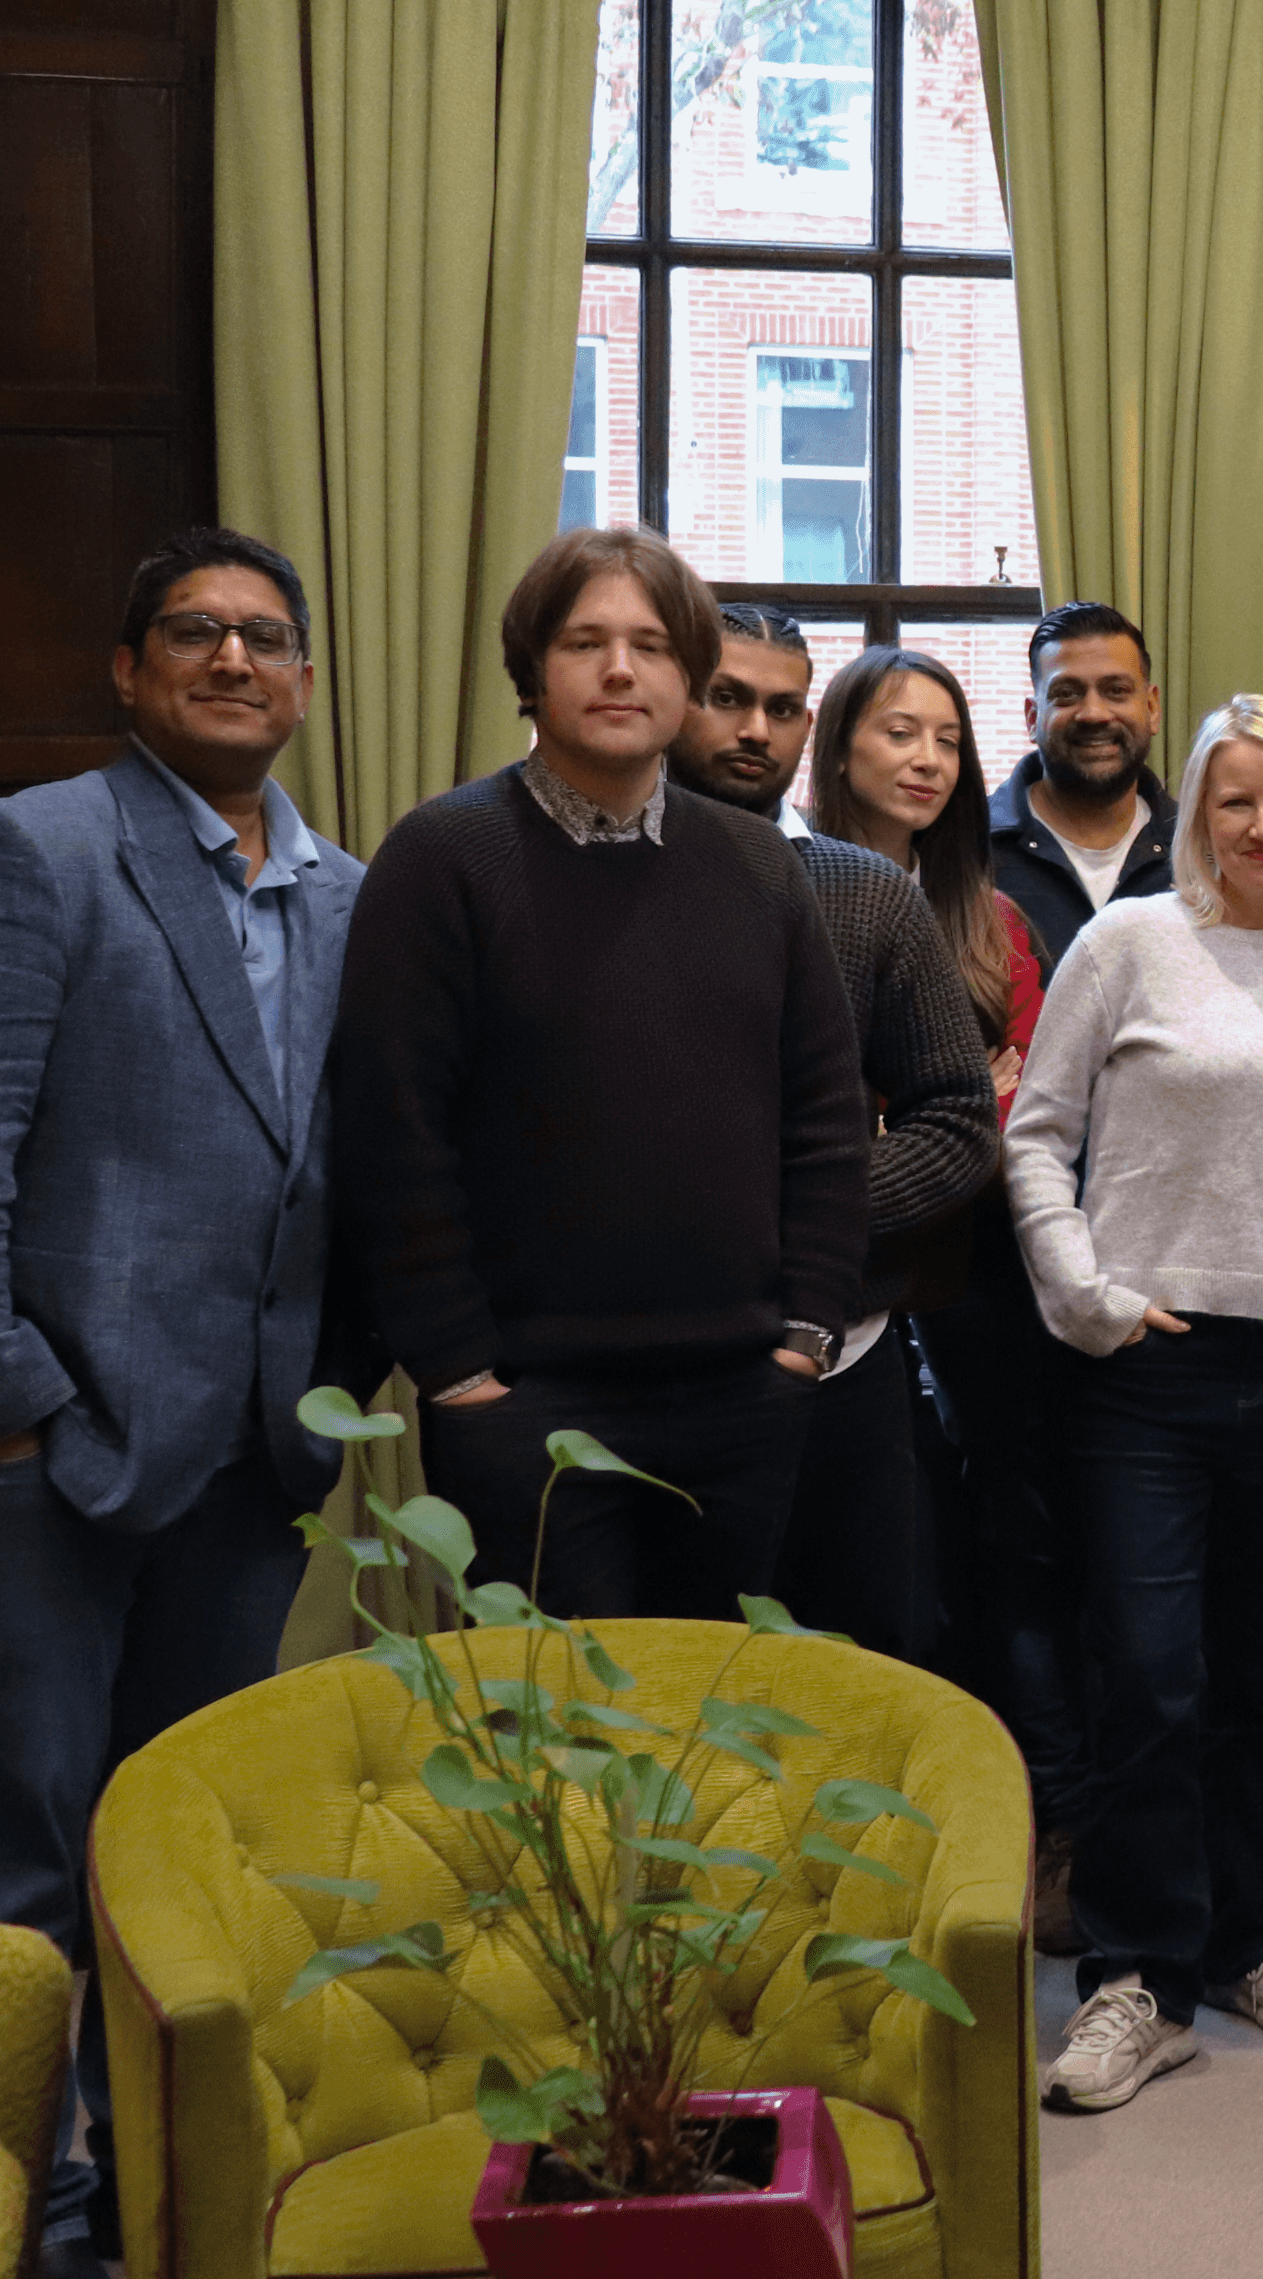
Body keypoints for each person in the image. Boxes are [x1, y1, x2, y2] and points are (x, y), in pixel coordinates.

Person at [0, 528, 359, 2279]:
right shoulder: (30, 852)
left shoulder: (349, 892)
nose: (234, 661)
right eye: (194, 633)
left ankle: (157, 2191)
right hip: (30, 1465)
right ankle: (3, 2237)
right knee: (10, 1881)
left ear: (304, 683)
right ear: (131, 672)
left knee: (177, 1866)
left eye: (267, 639)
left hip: (239, 1471)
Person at [335, 528, 867, 1618]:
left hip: (744, 1395)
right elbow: (395, 1135)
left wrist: (805, 1339)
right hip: (525, 1405)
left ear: (687, 680)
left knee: (699, 1751)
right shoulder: (441, 859)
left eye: (652, 645)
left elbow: (823, 1121)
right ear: (531, 671)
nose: (620, 669)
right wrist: (458, 1377)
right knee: (555, 1761)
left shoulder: (763, 868)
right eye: (585, 642)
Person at [1012, 697, 1263, 2112]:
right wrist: (1086, 1289)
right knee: (1150, 1670)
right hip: (1142, 1366)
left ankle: (1249, 1932)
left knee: (1257, 1675)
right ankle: (1135, 1973)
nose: (1261, 825)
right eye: (1234, 800)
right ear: (1196, 811)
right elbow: (1038, 1133)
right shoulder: (1127, 941)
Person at [663, 622, 999, 1665]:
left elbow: (956, 1122)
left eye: (779, 707)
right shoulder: (582, 878)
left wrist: (786, 1207)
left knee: (853, 1665)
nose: (753, 728)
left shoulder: (866, 890)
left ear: (808, 723)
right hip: (633, 1361)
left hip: (837, 1355)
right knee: (660, 1672)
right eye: (727, 698)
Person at [814, 643, 1077, 1927]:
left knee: (1008, 1560)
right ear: (839, 745)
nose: (924, 758)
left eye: (945, 739)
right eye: (897, 733)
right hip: (840, 1286)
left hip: (988, 1284)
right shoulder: (780, 884)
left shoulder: (992, 913)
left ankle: (1029, 1841)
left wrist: (941, 1127)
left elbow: (1019, 1105)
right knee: (886, 1578)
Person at [988, 599, 1174, 970]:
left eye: (1116, 690)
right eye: (1067, 694)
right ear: (1032, 717)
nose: (1093, 714)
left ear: (1152, 708)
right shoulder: (965, 850)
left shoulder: (1202, 849)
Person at [683, 600, 820, 836]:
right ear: (675, 702)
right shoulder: (611, 861)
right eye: (726, 699)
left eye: (782, 711)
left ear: (807, 727)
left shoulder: (860, 873)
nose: (758, 733)